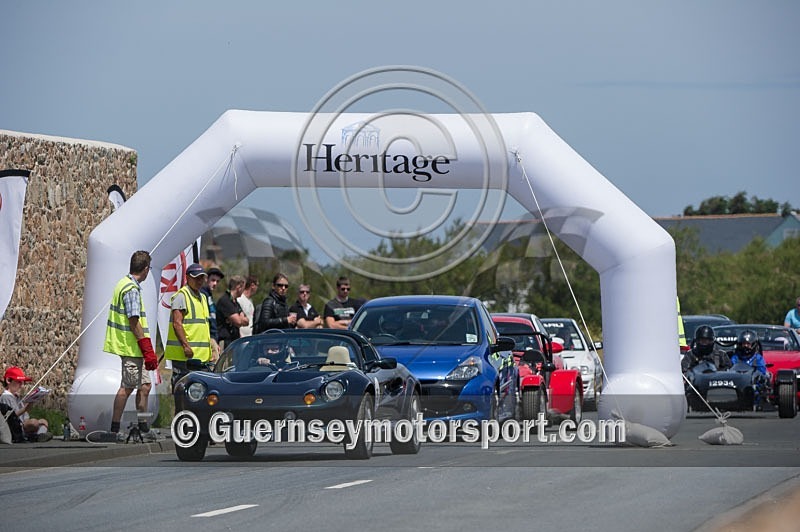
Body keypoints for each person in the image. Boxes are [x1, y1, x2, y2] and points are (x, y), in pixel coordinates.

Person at [100, 250, 158, 442]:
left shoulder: (124, 284)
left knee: (145, 386)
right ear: (147, 269)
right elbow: (134, 321)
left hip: (135, 348)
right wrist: (147, 348)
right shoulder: (131, 289)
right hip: (131, 347)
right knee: (127, 387)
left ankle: (143, 428)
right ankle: (114, 431)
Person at [165, 263, 212, 389]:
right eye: (196, 278)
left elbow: (204, 327)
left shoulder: (202, 297)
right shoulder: (181, 296)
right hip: (184, 358)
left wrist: (211, 347)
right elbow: (177, 323)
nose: (199, 281)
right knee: (183, 392)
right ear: (187, 278)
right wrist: (186, 346)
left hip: (200, 358)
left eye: (201, 277)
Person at [1, 366, 52, 442]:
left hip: (23, 424)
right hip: (14, 426)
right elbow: (10, 417)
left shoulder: (17, 397)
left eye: (22, 383)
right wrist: (25, 409)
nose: (21, 385)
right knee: (34, 422)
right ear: (8, 381)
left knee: (43, 421)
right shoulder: (5, 397)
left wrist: (32, 401)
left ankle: (37, 436)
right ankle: (34, 436)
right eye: (19, 382)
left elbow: (26, 417)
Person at [216, 275, 249, 349]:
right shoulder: (225, 301)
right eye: (243, 287)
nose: (243, 290)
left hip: (234, 341)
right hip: (225, 343)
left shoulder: (235, 302)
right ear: (239, 287)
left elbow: (247, 321)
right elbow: (238, 322)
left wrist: (240, 319)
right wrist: (240, 318)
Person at [201, 267, 225, 359]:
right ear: (206, 279)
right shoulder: (203, 294)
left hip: (213, 337)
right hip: (208, 337)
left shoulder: (209, 296)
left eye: (217, 281)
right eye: (213, 280)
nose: (215, 284)